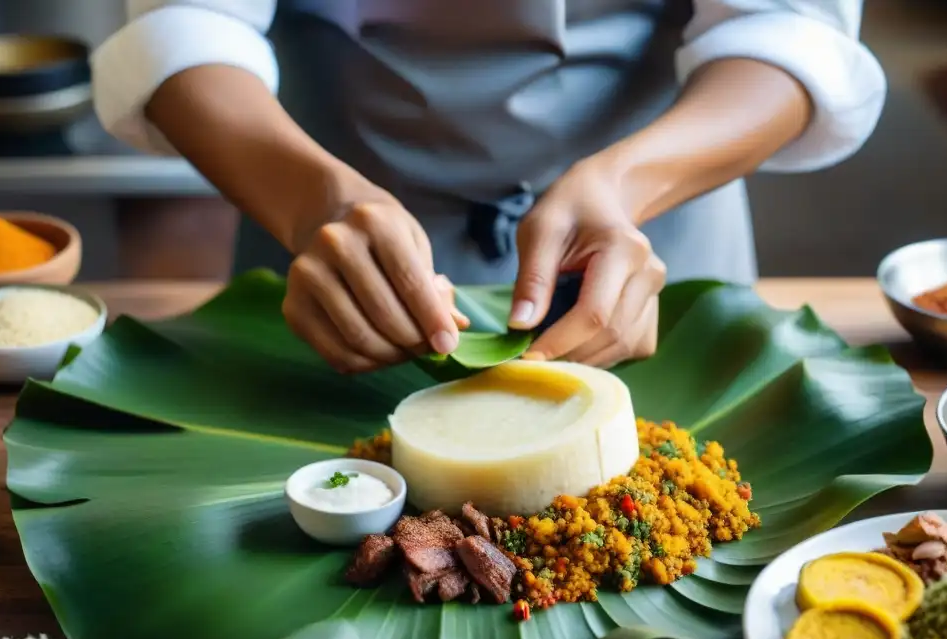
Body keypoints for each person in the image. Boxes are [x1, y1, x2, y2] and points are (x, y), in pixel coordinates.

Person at [90, 1, 884, 373]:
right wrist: (311, 202)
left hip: (648, 233)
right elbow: (186, 28)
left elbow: (790, 29)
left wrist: (626, 184)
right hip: (323, 234)